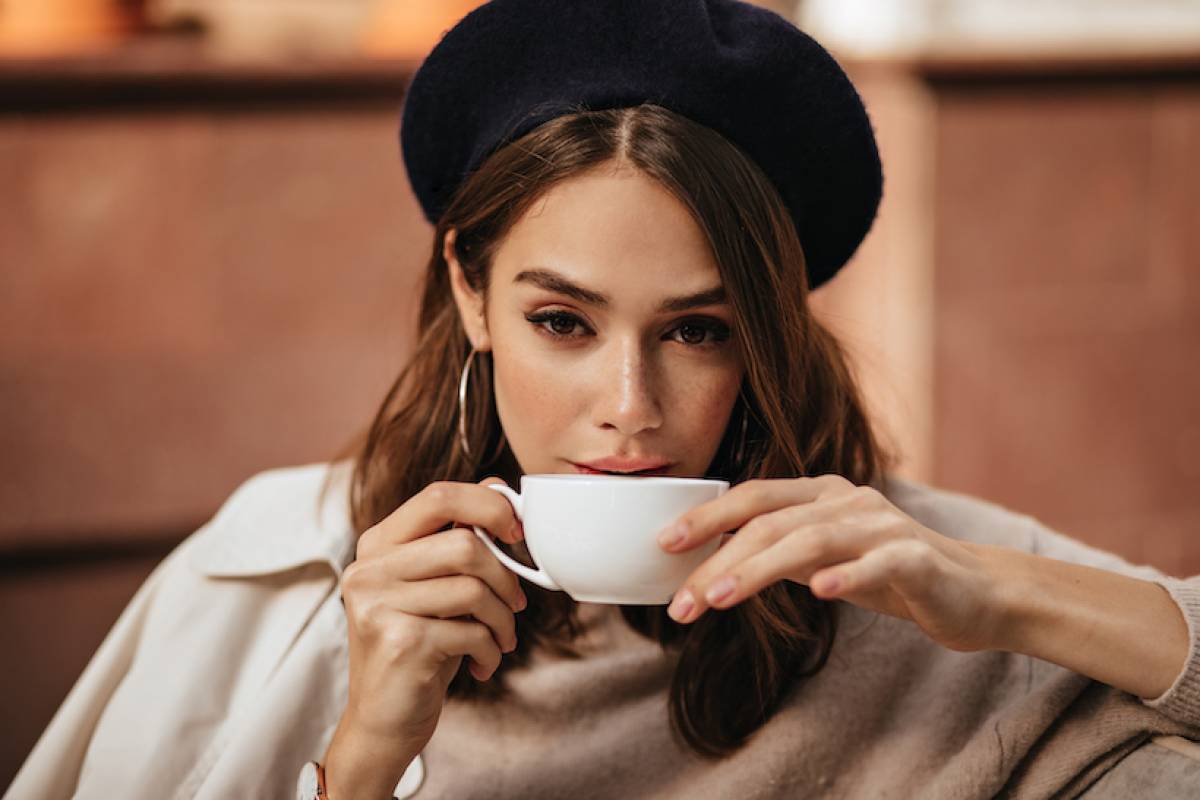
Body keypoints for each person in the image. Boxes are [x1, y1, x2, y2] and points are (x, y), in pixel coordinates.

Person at [7, 1, 1200, 798]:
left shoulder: (915, 578)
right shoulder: (263, 581)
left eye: (698, 329)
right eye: (561, 322)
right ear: (472, 293)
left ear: (768, 337)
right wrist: (366, 747)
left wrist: (1000, 589)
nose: (628, 406)